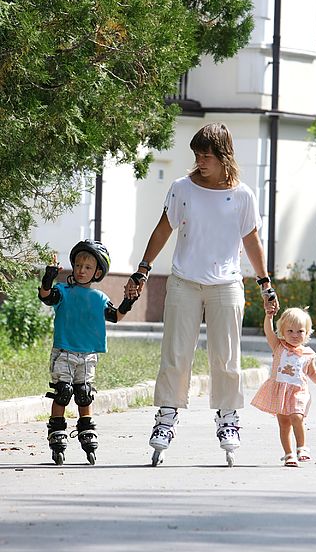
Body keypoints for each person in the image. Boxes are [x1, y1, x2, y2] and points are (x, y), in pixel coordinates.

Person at [125, 122, 279, 467]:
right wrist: (143, 268)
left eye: (206, 155)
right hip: (184, 282)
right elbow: (164, 228)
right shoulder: (183, 189)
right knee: (176, 354)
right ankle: (166, 419)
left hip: (226, 284)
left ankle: (228, 419)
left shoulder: (242, 195)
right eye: (196, 154)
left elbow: (251, 240)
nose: (199, 160)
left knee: (226, 357)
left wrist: (265, 283)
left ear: (224, 156)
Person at [38, 239, 138, 465]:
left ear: (98, 272)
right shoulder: (63, 291)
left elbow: (115, 317)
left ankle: (87, 432)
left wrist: (128, 301)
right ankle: (57, 433)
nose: (81, 270)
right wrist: (48, 278)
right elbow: (45, 297)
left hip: (88, 354)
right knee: (62, 392)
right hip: (64, 351)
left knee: (83, 394)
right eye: (78, 265)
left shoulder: (99, 298)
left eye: (88, 267)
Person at [251, 306, 316, 467]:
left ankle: (302, 448)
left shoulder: (308, 353)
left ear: (307, 332)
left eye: (300, 331)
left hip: (298, 391)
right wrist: (269, 317)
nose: (295, 335)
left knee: (297, 416)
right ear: (282, 331)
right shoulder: (278, 346)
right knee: (284, 424)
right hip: (280, 391)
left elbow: (312, 372)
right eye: (290, 331)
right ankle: (289, 454)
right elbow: (268, 331)